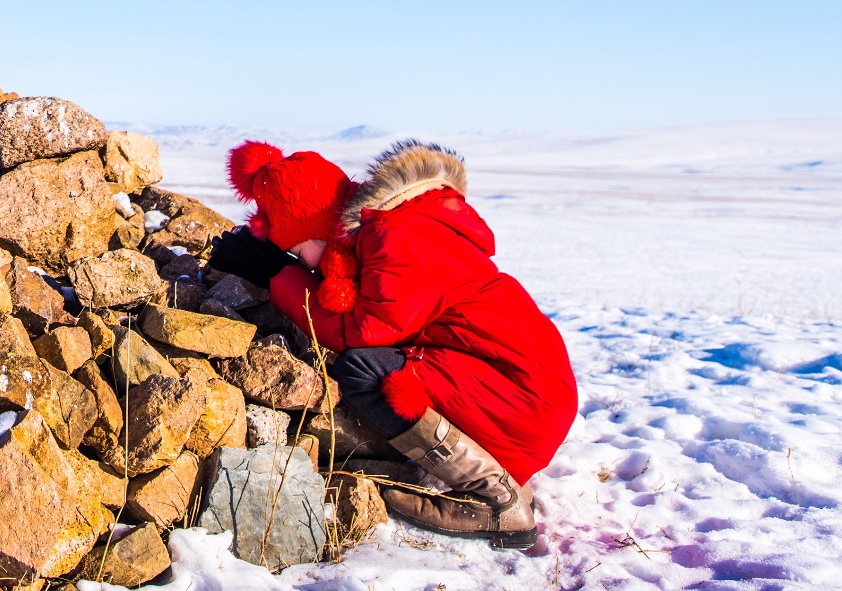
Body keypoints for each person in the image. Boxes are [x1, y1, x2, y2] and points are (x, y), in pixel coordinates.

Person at [205, 138, 577, 549]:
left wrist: (278, 275)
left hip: (524, 397)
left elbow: (364, 331)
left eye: (297, 249)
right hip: (519, 386)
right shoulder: (391, 227)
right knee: (372, 365)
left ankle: (496, 499)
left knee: (367, 370)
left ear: (316, 227)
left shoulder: (397, 235)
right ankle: (496, 478)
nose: (305, 263)